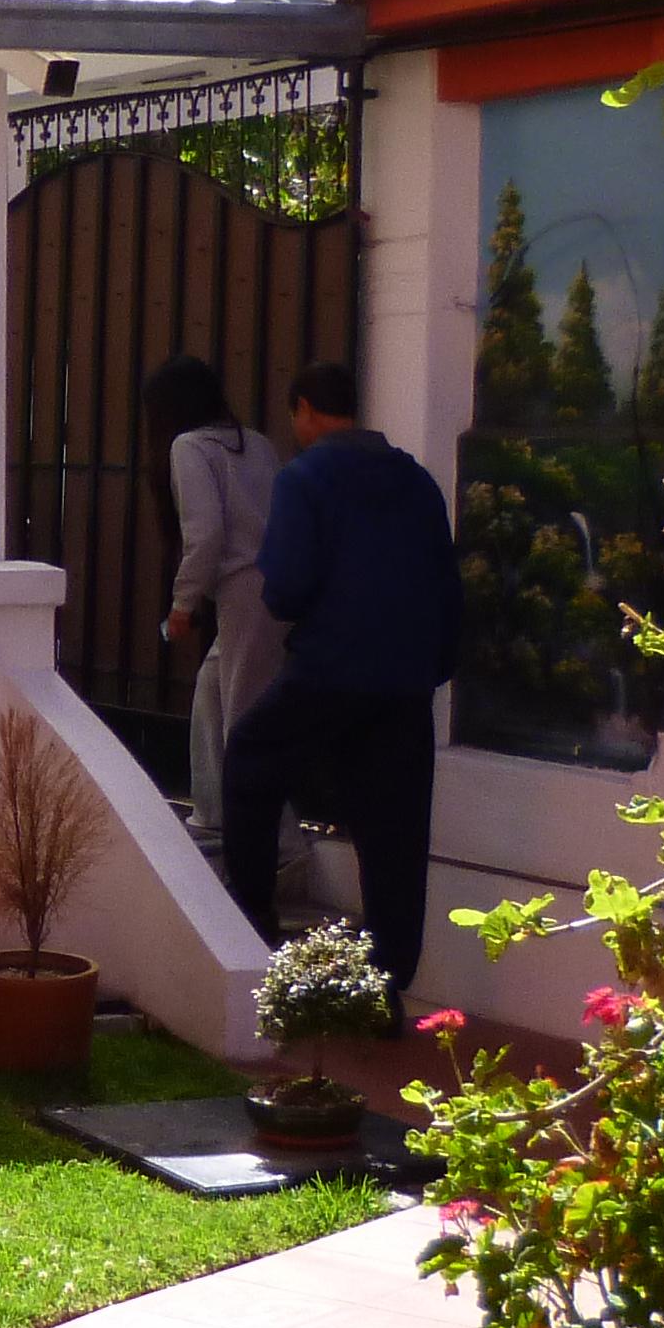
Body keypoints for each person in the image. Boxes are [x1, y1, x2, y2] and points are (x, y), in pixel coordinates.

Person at [225, 355, 462, 996]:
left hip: (330, 669)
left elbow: (287, 591)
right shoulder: (416, 481)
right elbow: (447, 582)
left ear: (304, 410)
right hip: (405, 680)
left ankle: (250, 928)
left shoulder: (305, 478)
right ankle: (387, 987)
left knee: (251, 757)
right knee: (394, 832)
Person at [144, 353, 285, 847]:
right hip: (283, 586)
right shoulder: (259, 446)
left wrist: (183, 604)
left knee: (244, 722)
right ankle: (214, 816)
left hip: (244, 589)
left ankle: (269, 845)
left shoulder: (189, 447)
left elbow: (204, 535)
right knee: (214, 693)